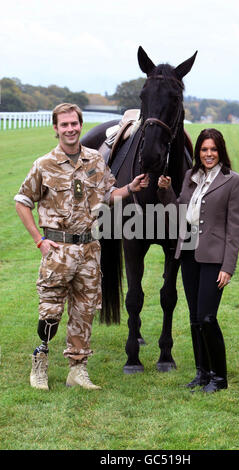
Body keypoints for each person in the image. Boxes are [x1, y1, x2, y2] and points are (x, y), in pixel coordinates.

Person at [15, 103, 149, 391]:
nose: (70, 129)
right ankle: (40, 362)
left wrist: (131, 189)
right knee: (50, 311)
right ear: (56, 129)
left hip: (89, 251)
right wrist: (39, 240)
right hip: (58, 252)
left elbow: (109, 192)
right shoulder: (44, 164)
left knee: (84, 312)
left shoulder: (94, 160)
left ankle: (77, 370)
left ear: (80, 124)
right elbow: (22, 201)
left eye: (74, 123)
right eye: (64, 125)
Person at [158, 128, 239, 393]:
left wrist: (228, 267)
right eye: (204, 149)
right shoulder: (190, 176)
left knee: (208, 317)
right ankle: (202, 373)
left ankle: (219, 378)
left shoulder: (233, 181)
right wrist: (165, 191)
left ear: (221, 151)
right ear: (198, 152)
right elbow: (179, 212)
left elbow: (234, 228)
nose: (208, 154)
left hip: (214, 258)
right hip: (189, 253)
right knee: (195, 318)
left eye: (213, 150)